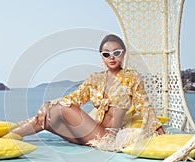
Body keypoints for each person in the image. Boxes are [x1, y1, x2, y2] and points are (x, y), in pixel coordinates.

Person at [12, 34, 165, 151]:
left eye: (116, 53)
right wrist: (46, 105)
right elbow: (74, 98)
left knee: (62, 108)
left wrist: (161, 134)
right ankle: (8, 133)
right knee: (48, 118)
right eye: (106, 54)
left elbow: (144, 107)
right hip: (87, 136)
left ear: (123, 54)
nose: (111, 57)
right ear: (102, 57)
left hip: (106, 138)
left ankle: (10, 133)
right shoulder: (94, 79)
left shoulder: (132, 77)